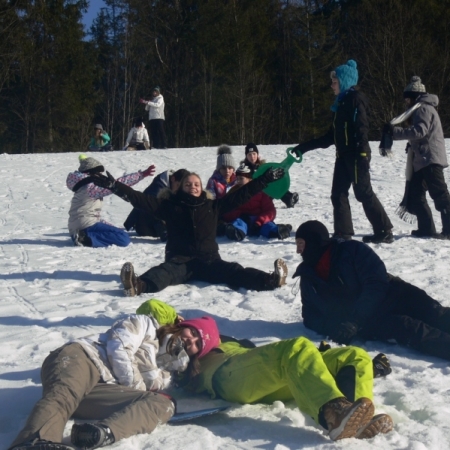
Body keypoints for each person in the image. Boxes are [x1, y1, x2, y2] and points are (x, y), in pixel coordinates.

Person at [8, 299, 220, 450]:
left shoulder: (168, 375)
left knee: (163, 403)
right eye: (193, 332)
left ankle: (100, 433)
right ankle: (32, 442)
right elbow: (119, 347)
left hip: (103, 390)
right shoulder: (147, 325)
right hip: (84, 359)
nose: (190, 340)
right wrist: (136, 387)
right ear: (183, 325)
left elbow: (147, 397)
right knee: (66, 393)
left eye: (198, 344)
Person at [90, 168, 289, 295]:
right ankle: (137, 285)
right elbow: (139, 199)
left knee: (234, 271)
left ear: (201, 187)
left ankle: (270, 280)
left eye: (196, 184)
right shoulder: (168, 205)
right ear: (181, 188)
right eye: (188, 184)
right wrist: (114, 186)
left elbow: (244, 194)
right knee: (164, 273)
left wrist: (265, 178)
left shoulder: (213, 206)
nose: (192, 187)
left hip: (209, 260)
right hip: (179, 260)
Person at [180, 328, 393, 441]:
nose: (191, 340)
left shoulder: (227, 339)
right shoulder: (170, 344)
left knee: (354, 354)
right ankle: (334, 412)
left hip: (257, 372)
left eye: (197, 337)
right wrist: (179, 322)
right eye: (192, 335)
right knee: (295, 347)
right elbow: (152, 310)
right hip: (226, 373)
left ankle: (356, 421)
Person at [293, 220, 450, 362]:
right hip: (372, 321)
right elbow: (309, 315)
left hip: (394, 294)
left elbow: (376, 283)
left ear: (315, 242)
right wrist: (336, 327)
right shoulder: (308, 277)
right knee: (412, 330)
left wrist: (355, 319)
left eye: (301, 244)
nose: (298, 251)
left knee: (435, 313)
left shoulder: (351, 250)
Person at [291, 60, 393, 244]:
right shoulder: (340, 104)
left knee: (363, 192)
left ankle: (384, 230)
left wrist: (362, 153)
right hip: (343, 156)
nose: (331, 85)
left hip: (356, 154)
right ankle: (343, 233)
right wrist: (303, 147)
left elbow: (362, 127)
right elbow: (330, 136)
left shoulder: (356, 99)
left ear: (344, 81)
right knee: (338, 194)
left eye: (334, 82)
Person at [382, 76, 450, 239]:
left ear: (414, 97)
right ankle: (426, 228)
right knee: (415, 194)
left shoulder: (423, 108)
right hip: (423, 160)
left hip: (430, 159)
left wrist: (395, 132)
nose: (406, 102)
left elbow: (420, 131)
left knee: (440, 195)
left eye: (407, 99)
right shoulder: (421, 108)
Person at [66, 154, 155, 248]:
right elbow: (118, 184)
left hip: (79, 224)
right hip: (85, 224)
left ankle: (81, 236)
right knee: (123, 238)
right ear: (91, 173)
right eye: (98, 173)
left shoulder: (84, 185)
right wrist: (141, 175)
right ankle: (84, 239)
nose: (100, 175)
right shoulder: (91, 187)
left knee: (118, 232)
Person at [221, 164, 292, 241]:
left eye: (241, 178)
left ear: (250, 179)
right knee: (238, 223)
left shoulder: (261, 193)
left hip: (259, 221)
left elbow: (270, 210)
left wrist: (260, 221)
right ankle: (235, 232)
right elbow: (227, 210)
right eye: (237, 179)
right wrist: (240, 215)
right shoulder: (234, 192)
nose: (239, 181)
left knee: (267, 226)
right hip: (243, 219)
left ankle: (278, 231)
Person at [123, 168, 189, 240]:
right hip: (144, 225)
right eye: (177, 185)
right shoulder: (157, 190)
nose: (178, 190)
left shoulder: (170, 185)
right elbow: (152, 209)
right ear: (173, 179)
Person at [243, 142, 299, 209]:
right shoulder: (244, 169)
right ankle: (288, 198)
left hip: (267, 191)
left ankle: (288, 198)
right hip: (254, 193)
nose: (252, 157)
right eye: (249, 154)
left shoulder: (263, 166)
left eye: (254, 154)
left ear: (257, 154)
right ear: (246, 156)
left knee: (274, 182)